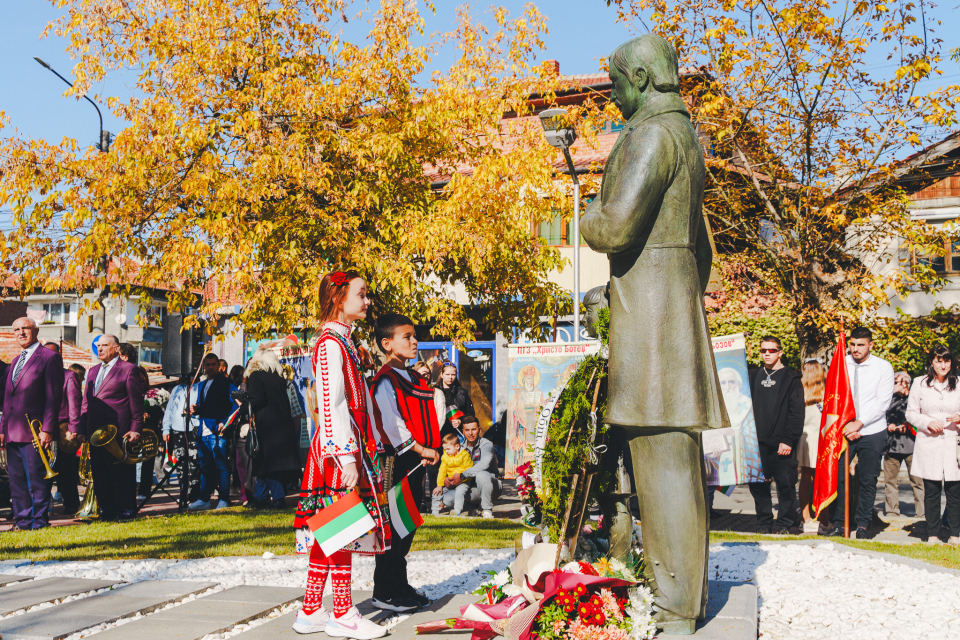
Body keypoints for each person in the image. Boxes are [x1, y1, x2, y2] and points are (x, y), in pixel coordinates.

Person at [292, 270, 390, 638]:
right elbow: (331, 404)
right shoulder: (332, 343)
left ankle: (312, 609)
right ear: (338, 298)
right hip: (338, 451)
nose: (366, 302)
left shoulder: (341, 341)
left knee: (328, 528)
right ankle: (344, 612)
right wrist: (345, 456)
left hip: (341, 447)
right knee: (342, 527)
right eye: (361, 295)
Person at [371, 313, 441, 613]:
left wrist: (429, 449)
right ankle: (384, 590)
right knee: (393, 524)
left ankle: (399, 583)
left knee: (408, 523)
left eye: (415, 335)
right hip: (394, 460)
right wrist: (421, 449)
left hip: (415, 458)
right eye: (407, 336)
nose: (414, 341)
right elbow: (391, 422)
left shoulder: (411, 376)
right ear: (387, 344)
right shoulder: (386, 379)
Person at [828, 327, 895, 539]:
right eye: (853, 344)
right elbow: (831, 396)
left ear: (870, 345)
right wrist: (847, 426)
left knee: (868, 479)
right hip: (843, 430)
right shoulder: (840, 363)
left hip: (872, 429)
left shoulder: (883, 367)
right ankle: (840, 524)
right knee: (838, 478)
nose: (855, 349)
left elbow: (882, 401)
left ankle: (863, 524)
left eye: (861, 345)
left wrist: (859, 423)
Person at [0, 318, 63, 529]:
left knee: (36, 479)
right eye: (16, 329)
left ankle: (39, 521)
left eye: (25, 328)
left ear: (36, 330)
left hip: (35, 432)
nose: (21, 333)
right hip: (11, 430)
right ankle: (23, 521)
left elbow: (53, 397)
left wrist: (47, 428)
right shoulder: (15, 360)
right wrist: (2, 429)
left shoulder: (49, 357)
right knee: (16, 481)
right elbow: (7, 400)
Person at [79, 334, 144, 521]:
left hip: (119, 431)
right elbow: (86, 403)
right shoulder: (92, 371)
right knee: (100, 474)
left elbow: (136, 402)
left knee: (120, 474)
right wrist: (83, 429)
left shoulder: (128, 369)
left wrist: (136, 428)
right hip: (95, 433)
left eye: (104, 345)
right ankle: (106, 512)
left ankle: (125, 511)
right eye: (97, 345)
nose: (99, 349)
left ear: (116, 348)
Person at [747, 336, 804, 534]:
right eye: (764, 350)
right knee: (758, 486)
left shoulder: (791, 377)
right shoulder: (753, 376)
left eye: (772, 350)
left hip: (781, 443)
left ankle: (785, 525)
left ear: (780, 352)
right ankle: (764, 524)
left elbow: (796, 412)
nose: (767, 354)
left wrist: (788, 439)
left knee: (785, 486)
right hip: (756, 443)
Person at [905, 346, 960, 545]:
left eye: (946, 361)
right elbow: (910, 413)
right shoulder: (919, 383)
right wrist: (927, 422)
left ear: (951, 363)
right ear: (931, 362)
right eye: (938, 361)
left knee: (954, 491)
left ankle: (955, 534)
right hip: (930, 442)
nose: (943, 365)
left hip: (953, 442)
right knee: (932, 491)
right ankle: (933, 534)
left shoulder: (959, 383)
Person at [244, 345, 300, 508]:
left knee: (267, 464)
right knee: (265, 463)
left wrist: (243, 406)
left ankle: (278, 498)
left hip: (266, 427)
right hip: (283, 426)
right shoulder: (279, 378)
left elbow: (257, 400)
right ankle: (260, 497)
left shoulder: (255, 376)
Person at [188, 352, 235, 511]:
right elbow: (206, 408)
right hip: (203, 430)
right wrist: (196, 410)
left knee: (222, 465)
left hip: (218, 431)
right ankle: (204, 498)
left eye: (213, 364)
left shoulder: (226, 383)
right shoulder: (201, 384)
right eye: (207, 365)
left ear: (219, 366)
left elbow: (237, 404)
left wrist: (225, 422)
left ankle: (223, 499)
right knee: (205, 466)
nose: (210, 367)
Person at [43, 342, 83, 515]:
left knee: (66, 471)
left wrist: (73, 428)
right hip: (43, 429)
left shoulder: (69, 376)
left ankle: (72, 503)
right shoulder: (40, 375)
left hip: (62, 429)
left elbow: (75, 404)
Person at [119, 343, 158, 499]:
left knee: (146, 462)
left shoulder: (152, 394)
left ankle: (143, 489)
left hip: (145, 430)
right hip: (128, 428)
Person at [884, 371, 925, 520]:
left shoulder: (915, 400)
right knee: (890, 482)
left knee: (917, 481)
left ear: (906, 383)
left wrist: (908, 425)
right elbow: (881, 416)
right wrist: (888, 425)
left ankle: (922, 513)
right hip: (892, 445)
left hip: (912, 446)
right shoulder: (888, 400)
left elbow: (921, 418)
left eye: (897, 382)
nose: (894, 385)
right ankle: (892, 512)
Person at [796, 359, 831, 533]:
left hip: (804, 439)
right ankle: (824, 519)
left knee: (805, 479)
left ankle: (806, 517)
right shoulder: (828, 394)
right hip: (821, 439)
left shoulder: (798, 393)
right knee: (822, 480)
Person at [451, 415, 502, 519]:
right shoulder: (460, 448)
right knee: (448, 498)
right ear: (463, 431)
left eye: (473, 429)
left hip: (491, 485)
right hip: (471, 487)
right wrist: (449, 479)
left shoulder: (487, 444)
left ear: (479, 430)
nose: (470, 433)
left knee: (481, 474)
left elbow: (484, 465)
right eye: (467, 430)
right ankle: (472, 507)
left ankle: (487, 511)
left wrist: (462, 475)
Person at [162, 374, 201, 504]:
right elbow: (170, 409)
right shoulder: (177, 388)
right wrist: (166, 428)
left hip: (194, 428)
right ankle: (183, 493)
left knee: (194, 463)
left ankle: (194, 495)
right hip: (177, 429)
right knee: (180, 464)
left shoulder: (199, 387)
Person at [431, 432, 473, 516]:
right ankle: (435, 511)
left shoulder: (464, 455)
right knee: (437, 491)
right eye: (444, 449)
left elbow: (468, 468)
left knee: (460, 491)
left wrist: (460, 476)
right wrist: (440, 485)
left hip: (463, 481)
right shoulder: (445, 457)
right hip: (450, 481)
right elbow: (442, 471)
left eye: (448, 449)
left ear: (457, 446)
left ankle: (457, 510)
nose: (446, 451)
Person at [435, 362, 474, 434]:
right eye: (447, 374)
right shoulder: (434, 391)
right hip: (439, 432)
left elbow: (470, 413)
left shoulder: (462, 392)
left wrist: (460, 420)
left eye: (453, 374)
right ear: (442, 375)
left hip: (457, 434)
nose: (450, 377)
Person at [413, 361, 445, 427]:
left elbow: (441, 417)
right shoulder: (410, 391)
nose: (426, 376)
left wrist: (432, 433)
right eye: (423, 374)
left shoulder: (437, 393)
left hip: (432, 432)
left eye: (428, 373)